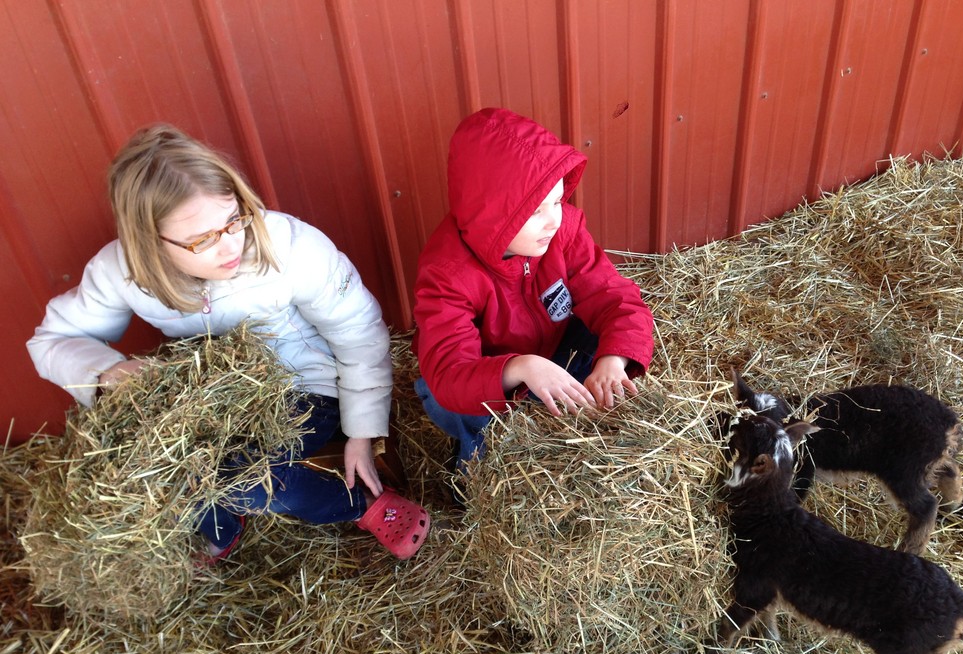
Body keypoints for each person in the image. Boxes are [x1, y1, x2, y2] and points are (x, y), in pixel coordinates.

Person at [27, 124, 429, 562]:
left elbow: (359, 331)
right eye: (201, 239)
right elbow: (52, 340)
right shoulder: (122, 271)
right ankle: (222, 525)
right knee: (170, 461)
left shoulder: (288, 246)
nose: (228, 245)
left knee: (237, 478)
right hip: (213, 399)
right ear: (149, 242)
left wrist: (361, 432)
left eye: (233, 219)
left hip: (307, 388)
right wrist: (105, 372)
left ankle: (361, 505)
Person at [413, 107, 655, 469]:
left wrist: (612, 360)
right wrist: (523, 367)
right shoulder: (448, 273)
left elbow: (616, 298)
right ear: (494, 215)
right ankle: (475, 464)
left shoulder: (562, 233)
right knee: (447, 398)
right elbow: (449, 371)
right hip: (495, 374)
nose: (553, 220)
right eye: (536, 211)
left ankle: (568, 407)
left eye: (557, 201)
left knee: (604, 337)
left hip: (554, 347)